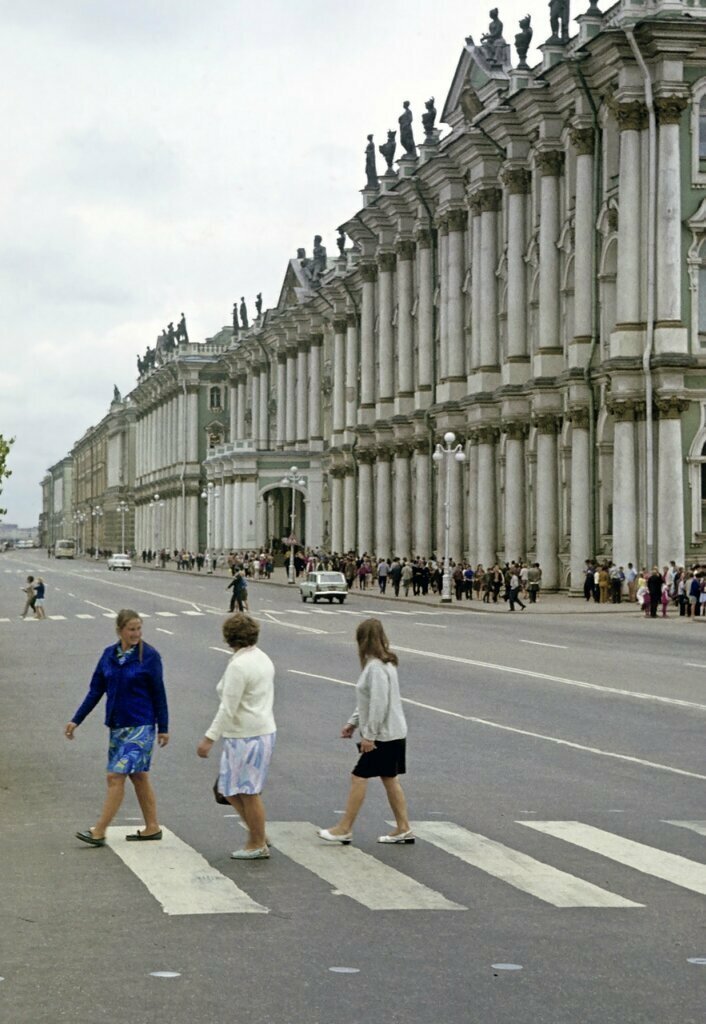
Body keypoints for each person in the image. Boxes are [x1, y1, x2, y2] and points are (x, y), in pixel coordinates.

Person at [65, 609, 169, 846]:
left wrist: (163, 726)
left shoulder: (149, 656)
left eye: (139, 629)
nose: (136, 634)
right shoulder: (108, 655)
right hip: (118, 725)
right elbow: (95, 691)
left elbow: (158, 693)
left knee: (115, 776)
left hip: (140, 725)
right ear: (120, 630)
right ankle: (152, 827)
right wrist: (76, 719)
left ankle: (99, 830)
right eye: (131, 629)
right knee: (139, 776)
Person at [318, 618, 412, 846]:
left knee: (359, 776)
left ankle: (344, 828)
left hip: (383, 735)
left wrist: (369, 735)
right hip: (394, 732)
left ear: (362, 641)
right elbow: (368, 702)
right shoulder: (386, 663)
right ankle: (403, 828)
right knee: (390, 778)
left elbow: (378, 703)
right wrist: (353, 722)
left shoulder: (375, 668)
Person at [197, 614, 276, 860]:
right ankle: (258, 831)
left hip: (247, 735)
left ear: (228, 637)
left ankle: (257, 842)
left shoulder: (239, 666)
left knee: (247, 791)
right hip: (256, 731)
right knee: (230, 789)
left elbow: (228, 707)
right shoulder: (260, 657)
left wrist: (209, 738)